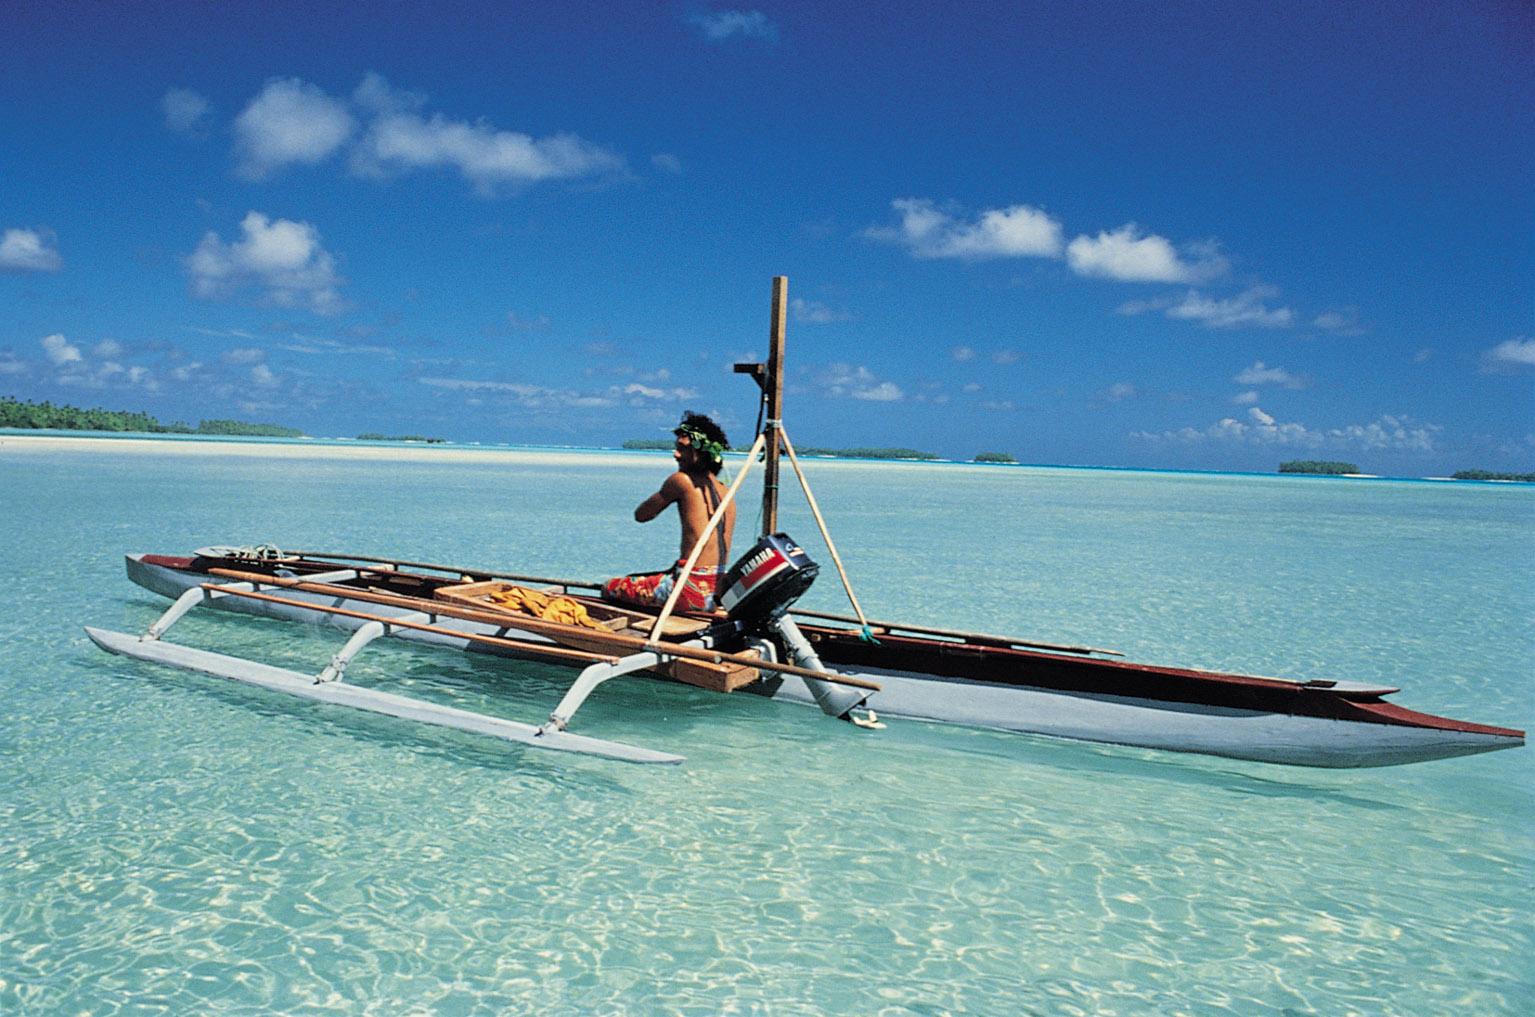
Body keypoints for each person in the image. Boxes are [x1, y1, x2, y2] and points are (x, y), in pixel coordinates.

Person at [603, 412, 737, 612]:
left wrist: (667, 493)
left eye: (682, 449)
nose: (676, 454)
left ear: (700, 454)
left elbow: (641, 515)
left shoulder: (681, 481)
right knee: (647, 577)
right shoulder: (728, 494)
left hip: (688, 590)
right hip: (715, 590)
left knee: (609, 587)